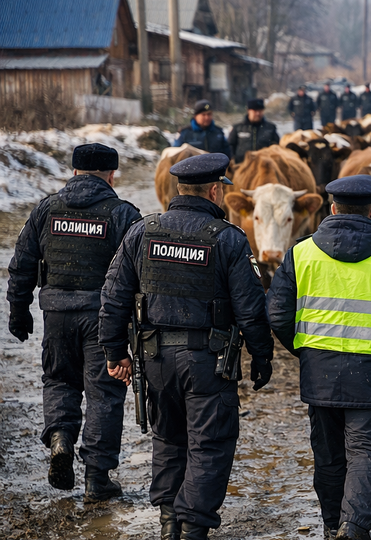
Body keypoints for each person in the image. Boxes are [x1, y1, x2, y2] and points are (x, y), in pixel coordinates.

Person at [100, 153, 275, 540]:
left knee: (168, 438)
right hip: (209, 362)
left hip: (155, 360)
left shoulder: (142, 232)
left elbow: (113, 298)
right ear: (214, 191)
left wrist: (114, 352)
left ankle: (169, 522)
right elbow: (251, 308)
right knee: (209, 443)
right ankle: (192, 526)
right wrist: (262, 355)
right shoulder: (228, 239)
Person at [266, 175, 371, 540]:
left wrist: (305, 351)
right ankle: (354, 525)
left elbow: (278, 314)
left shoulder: (301, 254)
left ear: (332, 210)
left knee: (328, 455)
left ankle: (333, 525)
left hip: (320, 374)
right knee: (366, 452)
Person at [6, 143, 141, 500]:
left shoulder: (46, 209)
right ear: (112, 175)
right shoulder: (122, 214)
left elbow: (22, 264)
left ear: (75, 171)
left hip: (56, 317)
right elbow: (140, 276)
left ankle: (60, 438)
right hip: (102, 320)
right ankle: (97, 478)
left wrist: (18, 310)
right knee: (104, 392)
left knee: (59, 380)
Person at [228, 98, 280, 163]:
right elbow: (230, 146)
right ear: (248, 111)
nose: (258, 113)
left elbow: (276, 147)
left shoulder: (270, 128)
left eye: (260, 111)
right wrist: (232, 160)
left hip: (264, 165)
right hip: (242, 165)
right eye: (255, 111)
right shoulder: (238, 128)